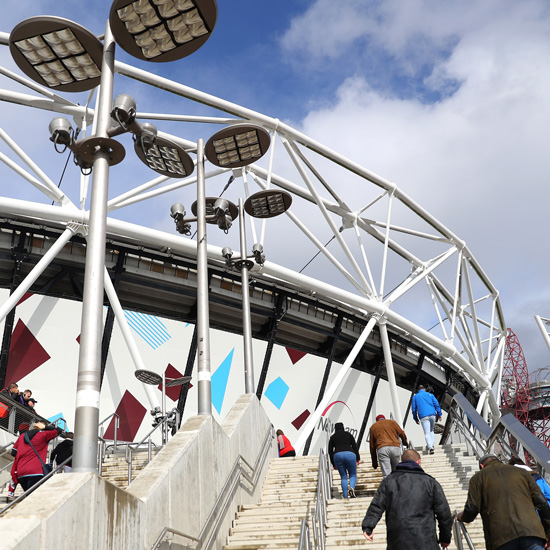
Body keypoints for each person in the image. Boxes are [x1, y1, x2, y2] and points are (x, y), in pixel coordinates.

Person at [362, 448, 452, 549]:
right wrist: (445, 538)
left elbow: (377, 505)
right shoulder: (431, 482)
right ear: (418, 462)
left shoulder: (389, 482)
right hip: (426, 541)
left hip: (397, 541)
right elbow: (444, 513)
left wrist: (368, 526)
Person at [457, 454, 550, 550]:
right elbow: (542, 503)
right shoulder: (522, 472)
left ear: (482, 466)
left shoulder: (478, 478)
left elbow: (471, 510)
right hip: (532, 533)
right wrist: (548, 532)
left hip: (501, 538)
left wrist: (461, 516)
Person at [11, 421, 63, 491]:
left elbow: (13, 452)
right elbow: (59, 431)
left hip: (21, 472)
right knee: (32, 496)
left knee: (28, 495)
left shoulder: (22, 436)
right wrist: (45, 427)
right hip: (35, 471)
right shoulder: (44, 435)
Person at [369, 414, 408, 478]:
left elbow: (372, 446)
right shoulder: (392, 422)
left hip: (382, 448)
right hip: (395, 447)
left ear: (377, 421)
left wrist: (374, 462)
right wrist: (405, 442)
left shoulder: (373, 427)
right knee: (396, 470)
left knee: (386, 473)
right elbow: (401, 433)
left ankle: (389, 487)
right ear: (384, 418)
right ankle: (397, 486)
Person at [328, 422, 360, 499]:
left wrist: (333, 463)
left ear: (335, 429)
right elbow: (355, 446)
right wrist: (358, 458)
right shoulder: (348, 434)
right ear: (343, 427)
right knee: (352, 475)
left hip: (338, 455)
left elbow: (330, 451)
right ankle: (351, 488)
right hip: (350, 454)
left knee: (343, 477)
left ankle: (345, 496)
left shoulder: (332, 437)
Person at [411, 385, 441, 454]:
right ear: (424, 389)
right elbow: (436, 404)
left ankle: (430, 447)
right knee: (431, 430)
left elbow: (414, 409)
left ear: (418, 390)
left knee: (427, 433)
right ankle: (432, 445)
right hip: (432, 415)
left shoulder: (415, 397)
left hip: (423, 416)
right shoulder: (430, 395)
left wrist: (415, 418)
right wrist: (439, 414)